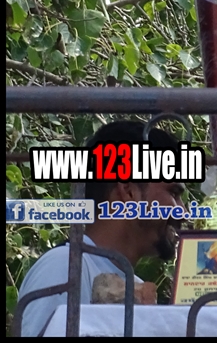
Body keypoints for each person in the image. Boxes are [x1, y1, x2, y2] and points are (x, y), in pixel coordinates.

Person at [17, 121, 185, 337]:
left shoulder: (135, 287)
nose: (183, 211)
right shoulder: (65, 266)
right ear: (128, 192)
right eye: (174, 193)